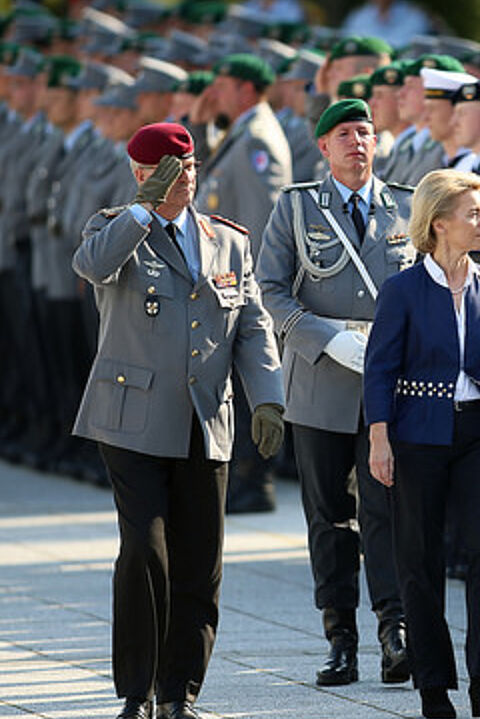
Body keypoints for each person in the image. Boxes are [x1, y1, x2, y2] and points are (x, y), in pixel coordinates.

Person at [72, 123, 286, 719]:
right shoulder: (114, 228)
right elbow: (91, 266)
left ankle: (178, 694)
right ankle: (136, 693)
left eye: (190, 168)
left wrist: (267, 395)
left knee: (200, 560)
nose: (184, 179)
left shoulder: (226, 240)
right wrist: (142, 210)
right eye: (170, 170)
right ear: (140, 174)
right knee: (144, 548)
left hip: (204, 417)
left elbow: (251, 323)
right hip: (131, 417)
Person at [255, 99, 412, 689]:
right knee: (328, 517)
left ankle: (394, 632)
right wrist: (323, 339)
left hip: (389, 383)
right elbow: (269, 288)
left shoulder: (405, 203)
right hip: (321, 379)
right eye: (344, 134)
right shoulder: (297, 207)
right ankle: (339, 639)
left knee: (387, 509)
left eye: (365, 133)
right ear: (323, 147)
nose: (357, 143)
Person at [364, 168, 480, 719]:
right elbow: (379, 369)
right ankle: (433, 684)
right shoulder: (402, 290)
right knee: (419, 557)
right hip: (416, 434)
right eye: (473, 214)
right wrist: (379, 437)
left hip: (479, 431)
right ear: (439, 225)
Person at [196, 52, 293, 514]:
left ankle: (257, 481)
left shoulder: (258, 138)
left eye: (225, 84)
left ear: (248, 91)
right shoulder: (241, 131)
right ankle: (245, 477)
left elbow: (263, 218)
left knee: (252, 378)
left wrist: (247, 283)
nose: (215, 92)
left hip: (243, 281)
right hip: (228, 277)